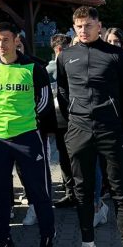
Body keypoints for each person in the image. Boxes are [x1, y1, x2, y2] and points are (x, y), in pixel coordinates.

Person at [56, 7, 123, 247]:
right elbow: (63, 92)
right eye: (79, 26)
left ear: (99, 26)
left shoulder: (115, 55)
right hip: (79, 130)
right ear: (74, 28)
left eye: (88, 25)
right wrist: (75, 118)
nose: (84, 30)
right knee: (82, 191)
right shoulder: (66, 56)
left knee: (120, 190)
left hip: (110, 128)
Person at [0, 22, 56, 247]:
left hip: (28, 138)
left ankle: (47, 240)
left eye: (5, 40)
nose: (0, 45)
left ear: (16, 40)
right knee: (0, 193)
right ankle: (4, 240)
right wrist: (0, 122)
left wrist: (25, 121)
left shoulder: (34, 67)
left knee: (38, 191)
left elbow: (44, 102)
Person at [46, 34, 76, 209]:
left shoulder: (51, 68)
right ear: (59, 49)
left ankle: (71, 191)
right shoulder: (50, 70)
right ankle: (70, 191)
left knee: (68, 158)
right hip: (62, 119)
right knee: (66, 158)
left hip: (66, 119)